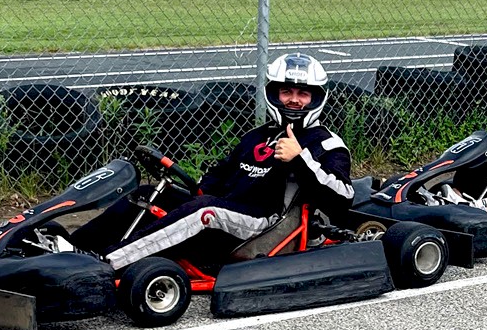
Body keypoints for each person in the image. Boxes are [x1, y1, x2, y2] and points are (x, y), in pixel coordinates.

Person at [104, 54, 351, 269]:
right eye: (286, 92)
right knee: (149, 194)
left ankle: (108, 263)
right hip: (228, 209)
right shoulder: (257, 135)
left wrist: (300, 159)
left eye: (303, 94)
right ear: (274, 95)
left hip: (265, 222)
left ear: (316, 98)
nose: (293, 100)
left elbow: (343, 198)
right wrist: (197, 188)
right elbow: (221, 174)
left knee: (203, 210)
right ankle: (74, 251)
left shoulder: (326, 144)